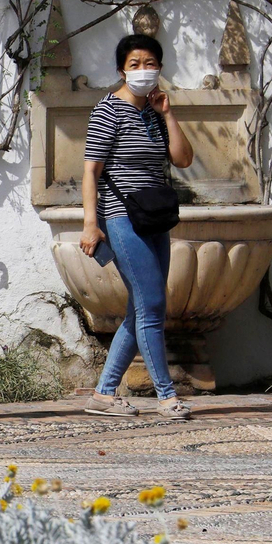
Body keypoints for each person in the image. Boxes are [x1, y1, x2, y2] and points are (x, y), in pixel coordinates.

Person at [79, 32, 195, 420]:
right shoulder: (107, 110)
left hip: (155, 218)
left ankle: (103, 394)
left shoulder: (153, 111)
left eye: (150, 64)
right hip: (121, 218)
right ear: (121, 69)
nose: (143, 71)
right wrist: (90, 224)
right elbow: (90, 172)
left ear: (160, 68)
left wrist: (167, 113)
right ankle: (166, 396)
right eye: (134, 64)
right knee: (153, 305)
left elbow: (181, 159)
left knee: (141, 307)